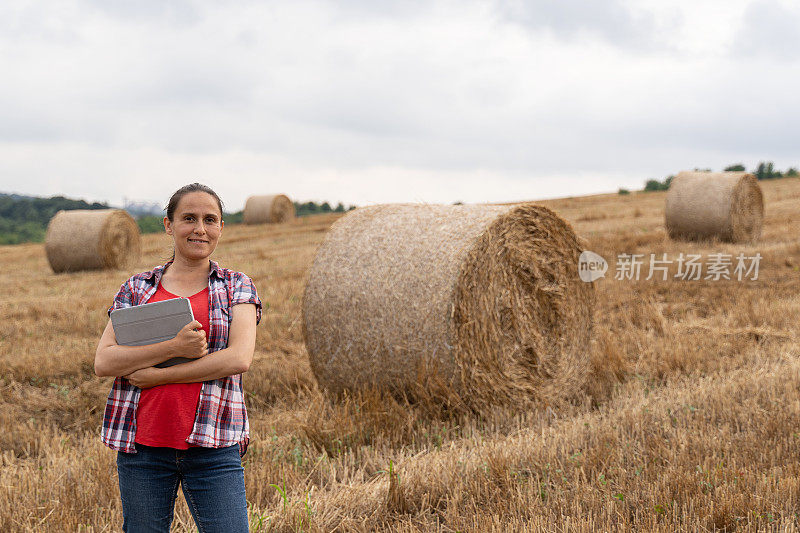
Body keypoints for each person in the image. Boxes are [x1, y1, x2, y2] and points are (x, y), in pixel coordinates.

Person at [95, 183, 261, 532]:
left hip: (214, 445)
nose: (200, 228)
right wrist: (173, 348)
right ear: (169, 225)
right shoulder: (137, 288)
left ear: (220, 227)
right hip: (143, 448)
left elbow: (238, 359)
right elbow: (104, 362)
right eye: (189, 218)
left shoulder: (236, 285)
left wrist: (157, 375)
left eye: (210, 220)